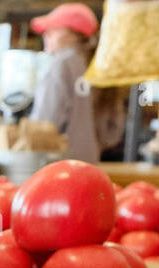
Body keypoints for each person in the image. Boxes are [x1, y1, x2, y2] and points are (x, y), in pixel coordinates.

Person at [28, 3, 102, 163]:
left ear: (74, 34)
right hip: (89, 159)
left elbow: (45, 122)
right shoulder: (94, 65)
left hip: (57, 161)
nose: (46, 35)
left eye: (53, 30)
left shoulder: (60, 65)